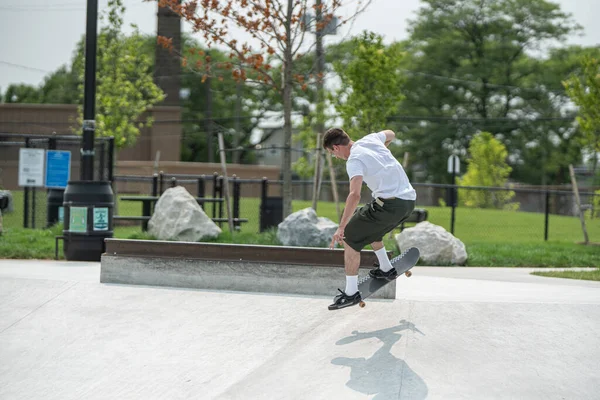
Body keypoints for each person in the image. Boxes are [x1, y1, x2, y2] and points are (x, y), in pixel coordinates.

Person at [323, 128, 416, 310]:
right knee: (368, 223)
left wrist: (341, 227)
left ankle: (351, 293)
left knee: (350, 236)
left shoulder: (354, 160)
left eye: (332, 153)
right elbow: (391, 133)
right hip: (408, 202)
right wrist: (381, 157)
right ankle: (386, 267)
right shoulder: (371, 140)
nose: (335, 157)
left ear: (336, 147)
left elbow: (354, 194)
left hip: (390, 207)